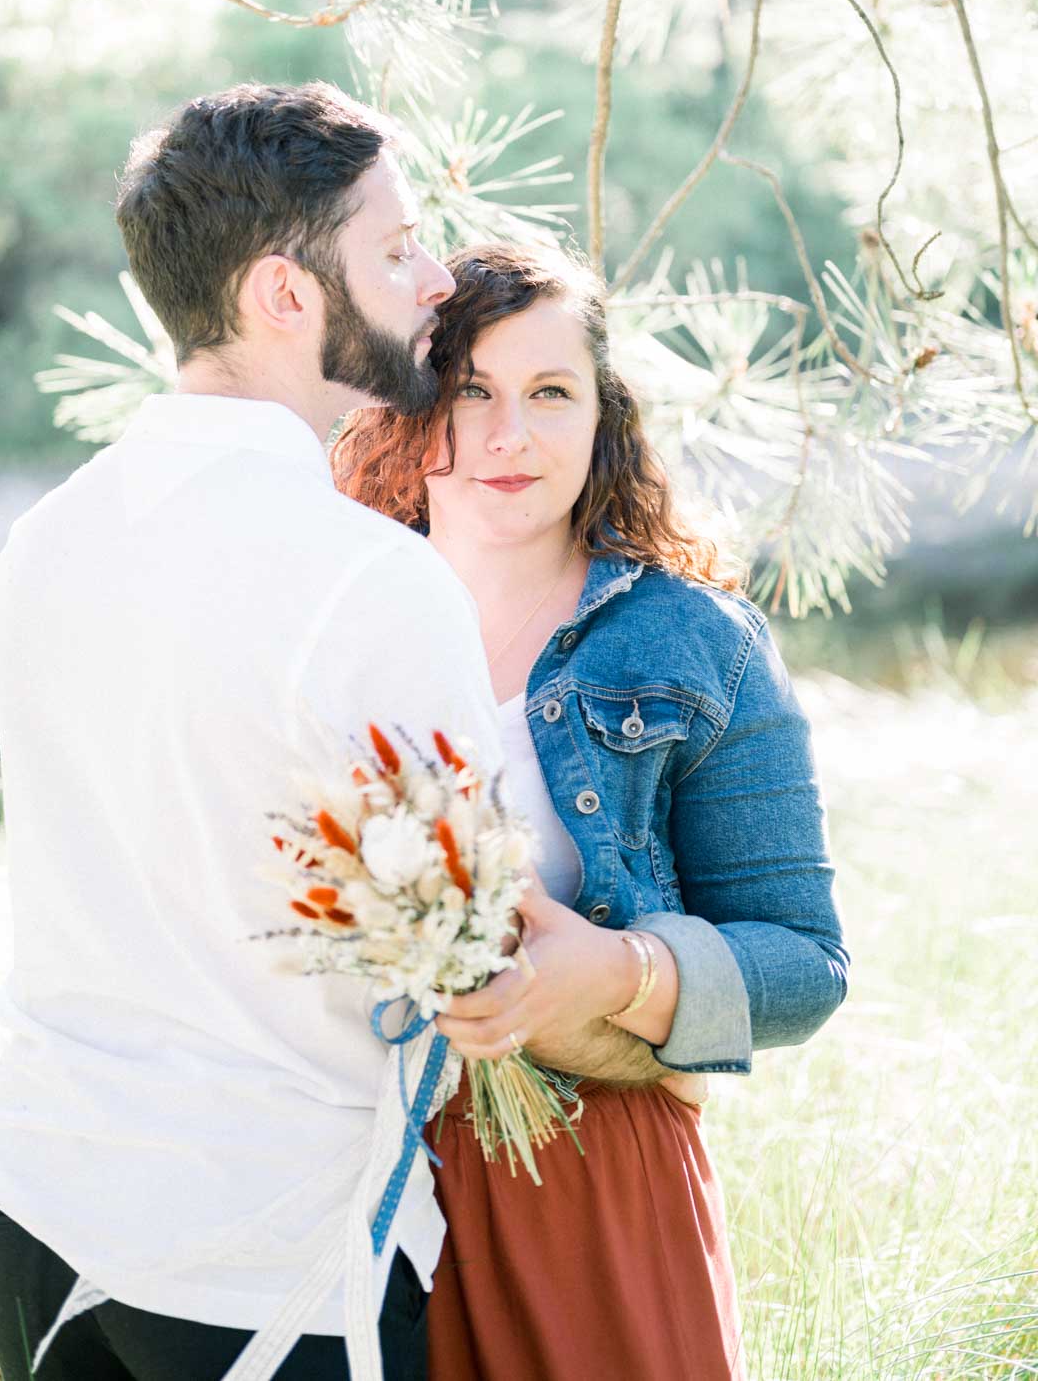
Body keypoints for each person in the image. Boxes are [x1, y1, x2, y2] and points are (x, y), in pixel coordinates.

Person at [0, 82, 507, 1381]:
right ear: (283, 294)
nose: (434, 277)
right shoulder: (369, 579)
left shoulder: (43, 542)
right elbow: (462, 946)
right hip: (266, 1251)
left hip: (35, 1201)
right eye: (394, 247)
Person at [331, 240, 850, 1381]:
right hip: (340, 1168)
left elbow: (805, 963)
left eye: (549, 392)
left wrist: (620, 975)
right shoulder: (326, 626)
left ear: (603, 417)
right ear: (409, 410)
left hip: (587, 1174)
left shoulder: (697, 643)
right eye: (469, 390)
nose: (509, 433)